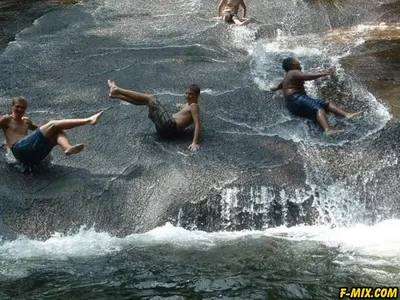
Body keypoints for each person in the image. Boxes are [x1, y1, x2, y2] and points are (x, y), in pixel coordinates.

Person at [270, 57, 363, 135]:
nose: (299, 63)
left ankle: (347, 114)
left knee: (326, 103)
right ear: (293, 63)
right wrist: (323, 74)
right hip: (295, 98)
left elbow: (280, 86)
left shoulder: (288, 75)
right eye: (297, 61)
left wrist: (272, 89)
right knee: (318, 108)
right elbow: (307, 76)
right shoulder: (294, 71)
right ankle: (328, 130)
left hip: (295, 101)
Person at [0, 96, 104, 166]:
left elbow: (40, 129)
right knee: (53, 124)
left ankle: (68, 148)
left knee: (58, 131)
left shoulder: (26, 121)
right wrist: (51, 126)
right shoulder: (7, 119)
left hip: (30, 158)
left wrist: (37, 126)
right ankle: (88, 120)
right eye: (17, 106)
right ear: (12, 106)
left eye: (23, 108)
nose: (20, 109)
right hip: (18, 149)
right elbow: (49, 127)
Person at [107, 80, 201, 151]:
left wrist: (194, 142)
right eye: (186, 93)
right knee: (147, 102)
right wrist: (181, 106)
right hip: (166, 129)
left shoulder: (194, 106)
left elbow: (197, 124)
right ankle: (115, 95)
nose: (187, 96)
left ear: (197, 96)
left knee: (150, 98)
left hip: (168, 125)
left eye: (190, 94)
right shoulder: (189, 105)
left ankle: (117, 89)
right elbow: (185, 111)